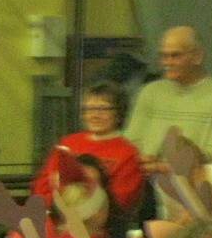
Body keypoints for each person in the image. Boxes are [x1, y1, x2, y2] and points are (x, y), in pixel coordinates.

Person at [32, 82, 146, 223]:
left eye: (103, 109)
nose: (94, 115)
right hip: (56, 219)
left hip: (99, 227)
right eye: (89, 108)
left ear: (119, 113)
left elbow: (121, 202)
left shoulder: (128, 153)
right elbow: (43, 186)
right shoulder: (68, 143)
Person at [124, 25, 212, 166]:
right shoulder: (149, 92)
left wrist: (168, 167)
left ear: (198, 57)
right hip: (143, 176)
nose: (167, 63)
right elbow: (130, 143)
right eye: (163, 56)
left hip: (191, 181)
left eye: (175, 56)